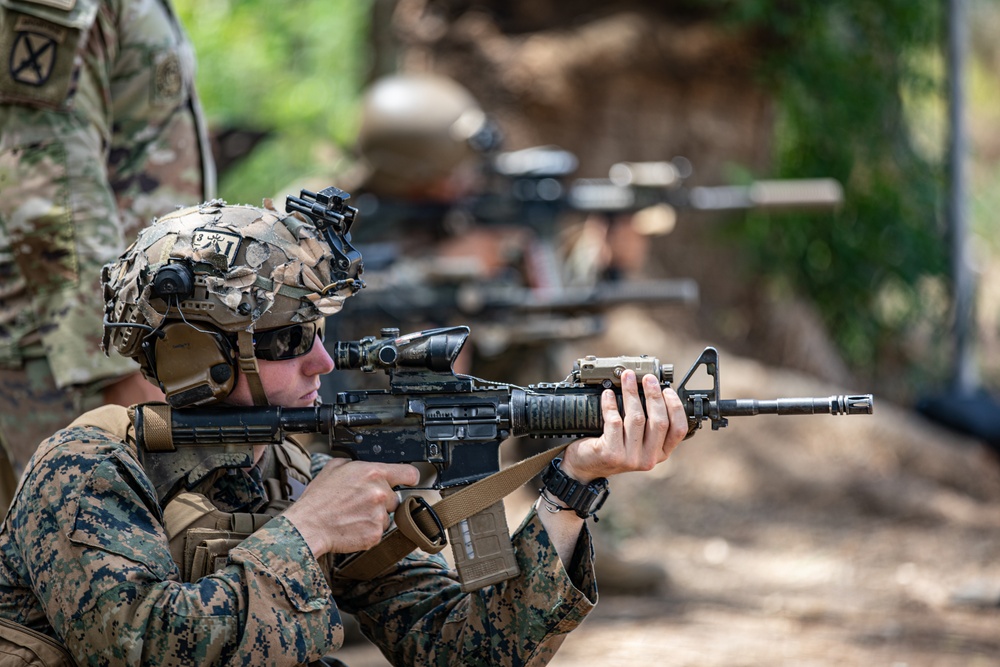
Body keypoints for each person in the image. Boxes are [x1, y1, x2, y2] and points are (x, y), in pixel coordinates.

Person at [0, 196, 689, 665]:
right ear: (199, 352)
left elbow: (467, 650)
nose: (323, 360)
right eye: (292, 338)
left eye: (320, 333)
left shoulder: (288, 468)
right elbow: (145, 646)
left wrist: (570, 488)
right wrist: (307, 531)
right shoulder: (86, 466)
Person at [0, 0, 215, 509]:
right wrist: (120, 368)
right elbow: (51, 188)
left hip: (121, 342)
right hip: (61, 361)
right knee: (86, 569)